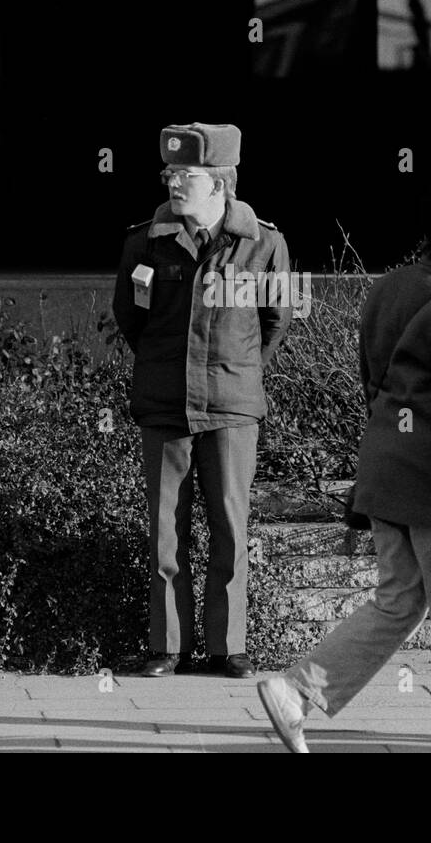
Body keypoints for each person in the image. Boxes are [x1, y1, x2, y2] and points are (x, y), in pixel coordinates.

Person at [257, 176, 431, 752]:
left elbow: (374, 385)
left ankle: (296, 693)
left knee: (399, 599)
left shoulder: (389, 288)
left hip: (384, 473)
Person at [113, 122, 291, 678]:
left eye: (185, 174)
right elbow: (130, 318)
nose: (173, 182)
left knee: (231, 528)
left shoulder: (265, 243)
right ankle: (167, 647)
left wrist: (236, 374)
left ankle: (227, 647)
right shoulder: (144, 241)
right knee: (166, 531)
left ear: (220, 181)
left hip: (232, 407)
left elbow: (276, 321)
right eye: (169, 173)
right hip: (165, 406)